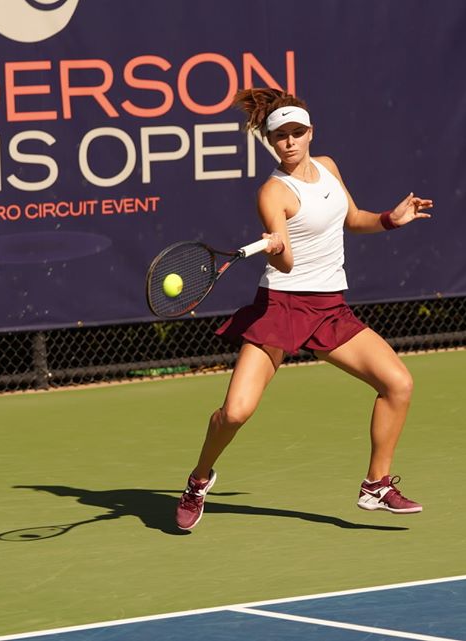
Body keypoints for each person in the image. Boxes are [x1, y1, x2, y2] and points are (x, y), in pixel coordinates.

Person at [175, 88, 433, 531]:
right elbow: (288, 264)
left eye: (297, 133)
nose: (290, 142)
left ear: (311, 132)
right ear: (271, 141)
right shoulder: (273, 192)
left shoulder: (329, 168)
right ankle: (198, 480)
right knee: (235, 413)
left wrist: (390, 218)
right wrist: (278, 247)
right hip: (281, 307)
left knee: (398, 384)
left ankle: (376, 485)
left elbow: (353, 219)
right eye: (281, 136)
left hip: (329, 308)